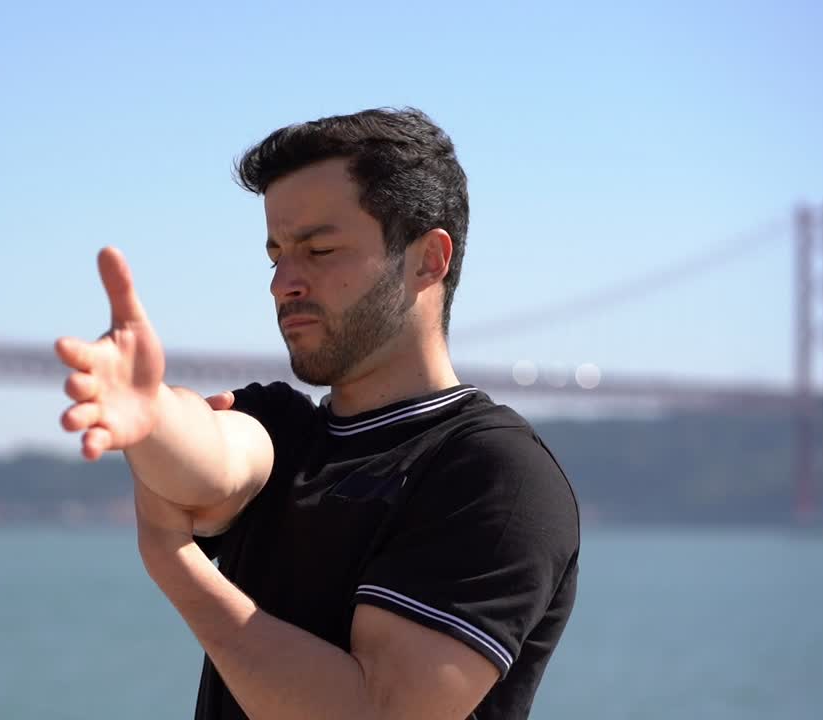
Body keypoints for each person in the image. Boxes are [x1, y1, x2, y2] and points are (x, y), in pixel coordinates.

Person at [54, 107, 579, 720]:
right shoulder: (285, 426)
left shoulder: (496, 474)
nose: (283, 283)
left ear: (428, 260)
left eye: (320, 249)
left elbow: (375, 711)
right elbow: (213, 461)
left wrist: (174, 562)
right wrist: (151, 416)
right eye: (275, 254)